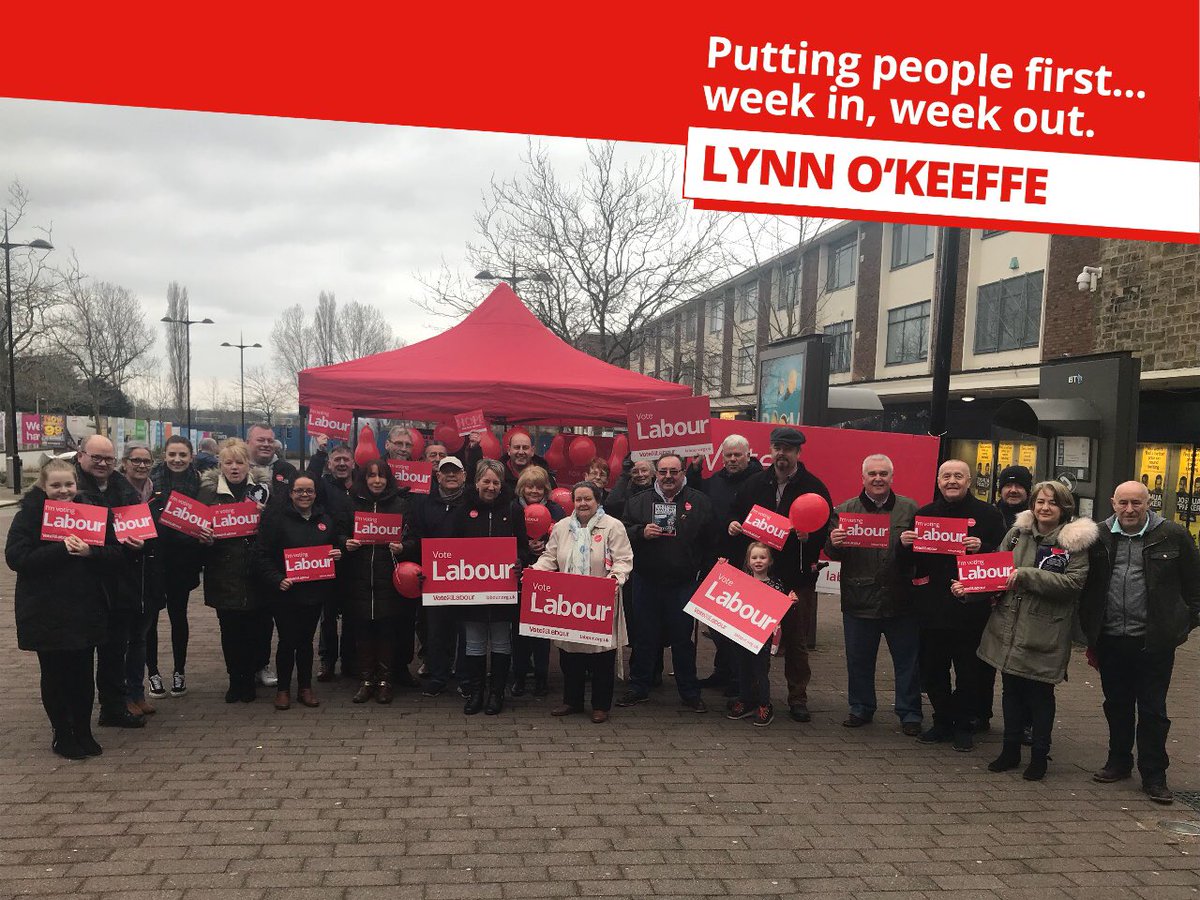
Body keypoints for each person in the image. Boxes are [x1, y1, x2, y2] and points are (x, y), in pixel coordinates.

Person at [1081, 480, 1200, 804]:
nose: (1130, 509)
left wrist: (1182, 625)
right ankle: (1118, 761)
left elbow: (1194, 585)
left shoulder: (1172, 534)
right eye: (1124, 503)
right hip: (1111, 638)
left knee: (1153, 710)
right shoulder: (1099, 535)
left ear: (1149, 503)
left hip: (1154, 641)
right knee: (1116, 704)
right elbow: (1088, 585)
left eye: (1137, 503)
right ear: (1113, 502)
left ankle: (1154, 775)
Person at [970, 480, 1098, 781]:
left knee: (1040, 694)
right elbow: (997, 572)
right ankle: (1010, 750)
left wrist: (1027, 576)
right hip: (1008, 624)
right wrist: (971, 586)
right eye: (1040, 501)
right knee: (1011, 690)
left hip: (1045, 629)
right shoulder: (1017, 534)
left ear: (1064, 508)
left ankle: (1039, 755)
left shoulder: (1072, 542)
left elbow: (1073, 584)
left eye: (1052, 503)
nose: (1045, 507)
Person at [6, 459, 122, 759]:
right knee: (55, 674)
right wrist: (61, 549)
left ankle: (83, 730)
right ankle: (62, 732)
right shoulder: (28, 516)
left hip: (85, 606)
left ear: (76, 484)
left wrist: (90, 551)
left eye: (68, 484)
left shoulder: (92, 512)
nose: (63, 491)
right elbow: (17, 558)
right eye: (55, 485)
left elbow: (115, 551)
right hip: (45, 609)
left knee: (82, 674)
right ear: (43, 486)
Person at [899, 459, 1007, 752]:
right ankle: (942, 721)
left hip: (971, 610)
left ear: (969, 481)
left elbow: (1004, 560)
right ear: (938, 481)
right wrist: (904, 544)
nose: (952, 481)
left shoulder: (989, 515)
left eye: (958, 476)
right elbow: (907, 564)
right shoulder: (925, 514)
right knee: (933, 670)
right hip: (932, 609)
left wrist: (981, 548)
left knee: (969, 672)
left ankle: (963, 725)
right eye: (946, 476)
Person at [728, 427, 832, 723]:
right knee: (751, 639)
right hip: (759, 578)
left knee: (796, 641)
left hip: (796, 577)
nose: (781, 453)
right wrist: (733, 524)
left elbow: (825, 529)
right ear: (770, 450)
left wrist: (808, 536)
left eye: (788, 448)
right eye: (777, 447)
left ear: (798, 452)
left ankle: (798, 697)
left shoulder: (814, 486)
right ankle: (753, 695)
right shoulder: (755, 483)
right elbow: (735, 512)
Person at [826, 453, 922, 735]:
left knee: (907, 661)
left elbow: (923, 551)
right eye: (872, 474)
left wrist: (909, 546)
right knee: (858, 659)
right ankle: (860, 707)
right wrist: (834, 543)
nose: (878, 478)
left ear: (892, 477)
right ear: (863, 477)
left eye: (883, 474)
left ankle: (910, 712)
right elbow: (832, 552)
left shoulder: (910, 509)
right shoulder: (845, 510)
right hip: (859, 598)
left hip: (900, 598)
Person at [618, 452, 716, 713]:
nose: (668, 477)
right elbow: (621, 532)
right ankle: (639, 687)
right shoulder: (638, 501)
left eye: (674, 471)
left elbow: (709, 542)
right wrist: (640, 532)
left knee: (682, 640)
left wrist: (703, 576)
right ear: (655, 474)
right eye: (663, 472)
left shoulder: (699, 501)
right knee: (644, 638)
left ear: (683, 473)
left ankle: (689, 692)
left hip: (682, 584)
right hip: (646, 581)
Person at [531, 481, 633, 723]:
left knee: (601, 656)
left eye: (588, 498)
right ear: (573, 502)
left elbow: (623, 558)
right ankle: (572, 701)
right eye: (578, 499)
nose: (583, 503)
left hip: (601, 599)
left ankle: (600, 705)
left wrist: (616, 579)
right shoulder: (562, 527)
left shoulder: (613, 526)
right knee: (570, 654)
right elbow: (550, 556)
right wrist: (535, 572)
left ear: (598, 500)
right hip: (569, 601)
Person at [253, 474, 345, 710]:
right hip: (285, 592)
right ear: (290, 493)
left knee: (306, 642)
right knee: (287, 641)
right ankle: (283, 689)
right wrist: (277, 579)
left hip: (314, 592)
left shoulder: (325, 518)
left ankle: (305, 687)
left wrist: (338, 552)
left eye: (309, 491)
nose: (305, 495)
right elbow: (261, 554)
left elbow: (335, 545)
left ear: (316, 493)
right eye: (299, 491)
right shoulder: (275, 518)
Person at [74, 434, 148, 729]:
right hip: (83, 587)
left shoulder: (124, 489)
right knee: (80, 655)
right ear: (81, 455)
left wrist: (141, 545)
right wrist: (111, 549)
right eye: (97, 457)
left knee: (115, 651)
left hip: (119, 586)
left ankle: (113, 707)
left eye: (108, 458)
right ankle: (75, 714)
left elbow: (142, 532)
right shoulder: (70, 486)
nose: (103, 463)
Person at [452, 459, 533, 715]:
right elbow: (450, 547)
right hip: (471, 588)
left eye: (496, 482)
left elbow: (522, 545)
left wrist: (520, 560)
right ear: (476, 482)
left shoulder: (513, 509)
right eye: (486, 481)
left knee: (500, 641)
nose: (491, 486)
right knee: (474, 643)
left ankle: (497, 693)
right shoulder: (462, 509)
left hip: (502, 587)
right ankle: (475, 693)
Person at [197, 439, 272, 703]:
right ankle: (235, 680)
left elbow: (278, 528)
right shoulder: (207, 493)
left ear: (248, 464)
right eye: (228, 462)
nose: (234, 467)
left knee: (255, 628)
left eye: (239, 462)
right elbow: (197, 529)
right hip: (223, 572)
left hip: (256, 572)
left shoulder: (264, 491)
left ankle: (250, 677)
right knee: (230, 630)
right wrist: (203, 538)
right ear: (220, 465)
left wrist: (265, 518)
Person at [343, 459, 417, 704]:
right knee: (362, 631)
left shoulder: (401, 505)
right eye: (372, 476)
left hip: (388, 578)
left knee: (387, 631)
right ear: (364, 479)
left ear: (388, 479)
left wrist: (402, 547)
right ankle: (366, 680)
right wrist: (346, 542)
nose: (377, 480)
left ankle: (385, 681)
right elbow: (338, 531)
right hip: (359, 578)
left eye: (381, 476)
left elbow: (414, 540)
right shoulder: (351, 504)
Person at [698, 434, 764, 694]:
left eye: (738, 454)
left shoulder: (761, 481)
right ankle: (723, 670)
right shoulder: (714, 482)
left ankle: (742, 679)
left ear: (749, 454)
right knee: (716, 623)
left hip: (750, 562)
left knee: (742, 626)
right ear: (722, 457)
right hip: (717, 559)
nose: (733, 459)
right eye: (728, 455)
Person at [146, 435, 204, 701]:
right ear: (165, 456)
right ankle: (153, 673)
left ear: (191, 456)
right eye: (172, 455)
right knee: (151, 620)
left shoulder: (201, 484)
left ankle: (179, 671)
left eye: (182, 455)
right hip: (154, 562)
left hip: (183, 562)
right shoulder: (150, 484)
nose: (177, 460)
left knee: (178, 617)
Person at [410, 455, 472, 696]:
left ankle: (466, 678)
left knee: (466, 631)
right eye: (445, 472)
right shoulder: (424, 503)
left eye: (455, 471)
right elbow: (417, 535)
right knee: (437, 631)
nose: (451, 475)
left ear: (464, 475)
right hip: (435, 578)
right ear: (437, 476)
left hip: (467, 576)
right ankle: (438, 677)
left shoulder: (472, 502)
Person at [246, 424, 296, 688]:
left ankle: (263, 665)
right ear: (248, 442)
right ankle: (247, 666)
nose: (266, 444)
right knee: (248, 617)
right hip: (242, 552)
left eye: (270, 440)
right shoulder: (239, 469)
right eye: (260, 440)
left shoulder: (286, 471)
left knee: (271, 615)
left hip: (276, 555)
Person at [723, 543, 794, 727]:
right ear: (748, 561)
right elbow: (726, 589)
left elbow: (779, 608)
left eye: (762, 557)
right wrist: (722, 567)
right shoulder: (743, 580)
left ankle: (764, 705)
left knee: (761, 672)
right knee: (743, 669)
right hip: (741, 635)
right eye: (754, 558)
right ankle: (745, 701)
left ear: (770, 561)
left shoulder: (776, 584)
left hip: (763, 639)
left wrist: (790, 601)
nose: (758, 561)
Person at [510, 465, 566, 698]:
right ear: (522, 487)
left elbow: (564, 538)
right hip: (519, 575)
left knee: (542, 630)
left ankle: (542, 678)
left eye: (539, 486)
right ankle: (520, 677)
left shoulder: (556, 510)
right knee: (519, 631)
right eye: (529, 486)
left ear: (546, 488)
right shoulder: (512, 508)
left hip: (546, 575)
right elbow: (505, 540)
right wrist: (525, 550)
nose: (534, 490)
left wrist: (546, 548)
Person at [119, 441, 164, 717]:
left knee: (140, 640)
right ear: (125, 463)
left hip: (150, 577)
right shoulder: (117, 493)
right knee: (121, 641)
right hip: (124, 576)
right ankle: (121, 696)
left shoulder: (157, 495)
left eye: (146, 461)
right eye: (136, 461)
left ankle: (137, 692)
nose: (141, 466)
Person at [307, 437, 357, 682]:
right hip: (327, 556)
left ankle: (349, 660)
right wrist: (319, 452)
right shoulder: (322, 487)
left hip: (353, 557)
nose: (341, 463)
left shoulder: (360, 488)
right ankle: (327, 661)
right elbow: (308, 478)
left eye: (345, 459)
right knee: (327, 615)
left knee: (351, 614)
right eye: (336, 460)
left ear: (353, 463)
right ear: (328, 464)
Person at [995, 465, 1033, 531]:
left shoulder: (1038, 519)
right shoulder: (989, 515)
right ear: (1000, 491)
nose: (1013, 490)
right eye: (1008, 485)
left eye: (1019, 486)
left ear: (1028, 491)